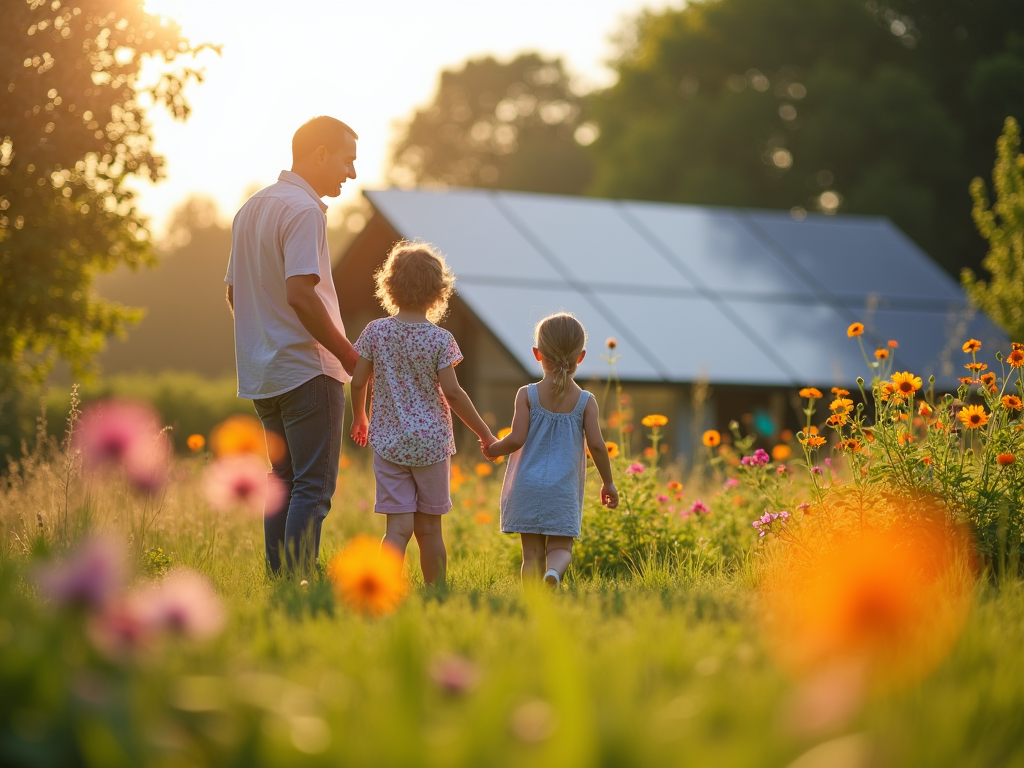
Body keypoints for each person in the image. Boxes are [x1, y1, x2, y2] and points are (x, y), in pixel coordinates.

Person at [225, 115, 360, 574]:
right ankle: (300, 580)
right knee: (312, 487)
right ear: (320, 154)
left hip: (264, 373)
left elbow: (233, 294)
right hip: (307, 369)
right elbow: (300, 293)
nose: (352, 173)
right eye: (347, 160)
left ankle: (280, 577)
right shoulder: (303, 211)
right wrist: (347, 354)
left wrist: (262, 337)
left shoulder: (251, 208)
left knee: (281, 479)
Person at [349, 241, 496, 586]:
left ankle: (384, 590)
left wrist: (360, 417)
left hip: (388, 443)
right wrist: (485, 434)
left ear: (389, 287)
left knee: (397, 529)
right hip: (431, 444)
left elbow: (358, 382)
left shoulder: (375, 331)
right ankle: (437, 593)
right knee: (430, 530)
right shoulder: (441, 339)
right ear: (438, 292)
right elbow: (454, 394)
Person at [483, 312, 618, 587]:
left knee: (530, 554)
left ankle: (535, 604)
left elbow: (516, 439)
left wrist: (494, 448)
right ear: (580, 357)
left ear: (537, 354)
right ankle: (553, 573)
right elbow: (597, 446)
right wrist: (608, 482)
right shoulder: (586, 402)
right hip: (562, 490)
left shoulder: (527, 394)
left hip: (526, 486)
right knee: (560, 550)